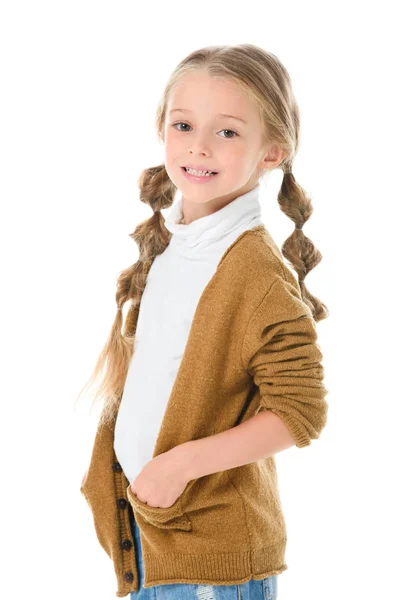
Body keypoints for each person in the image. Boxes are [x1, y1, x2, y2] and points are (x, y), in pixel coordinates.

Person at [78, 43, 329, 600]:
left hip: (209, 561)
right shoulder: (174, 246)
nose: (198, 145)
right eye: (184, 124)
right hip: (153, 540)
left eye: (228, 132)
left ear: (271, 152)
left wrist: (179, 467)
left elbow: (301, 411)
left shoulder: (254, 272)